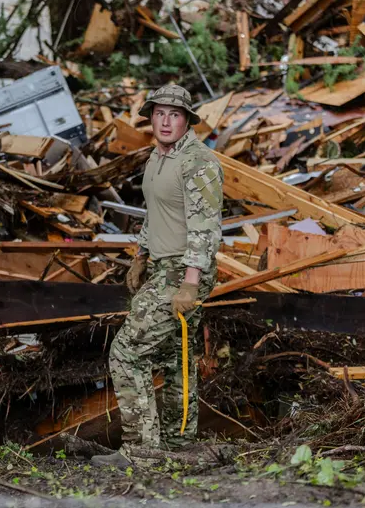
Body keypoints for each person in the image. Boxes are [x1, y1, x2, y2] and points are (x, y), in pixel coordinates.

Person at [92, 85, 224, 467]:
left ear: (187, 120)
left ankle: (142, 449)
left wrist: (190, 281)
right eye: (159, 114)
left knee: (126, 352)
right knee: (176, 355)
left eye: (175, 114)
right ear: (151, 118)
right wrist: (141, 256)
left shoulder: (198, 162)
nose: (166, 121)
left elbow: (206, 227)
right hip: (163, 265)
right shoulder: (157, 157)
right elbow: (155, 212)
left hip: (185, 268)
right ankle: (177, 445)